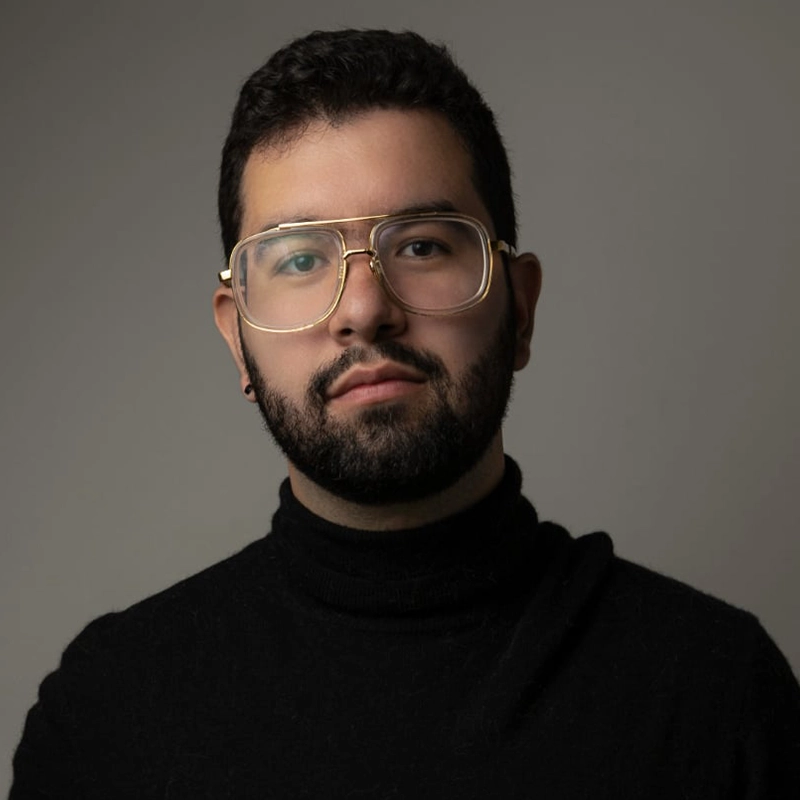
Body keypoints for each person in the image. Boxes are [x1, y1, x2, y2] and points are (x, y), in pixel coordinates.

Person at [10, 28, 800, 799]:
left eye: (421, 246)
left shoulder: (715, 692)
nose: (363, 308)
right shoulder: (106, 713)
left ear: (518, 308)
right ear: (236, 337)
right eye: (299, 259)